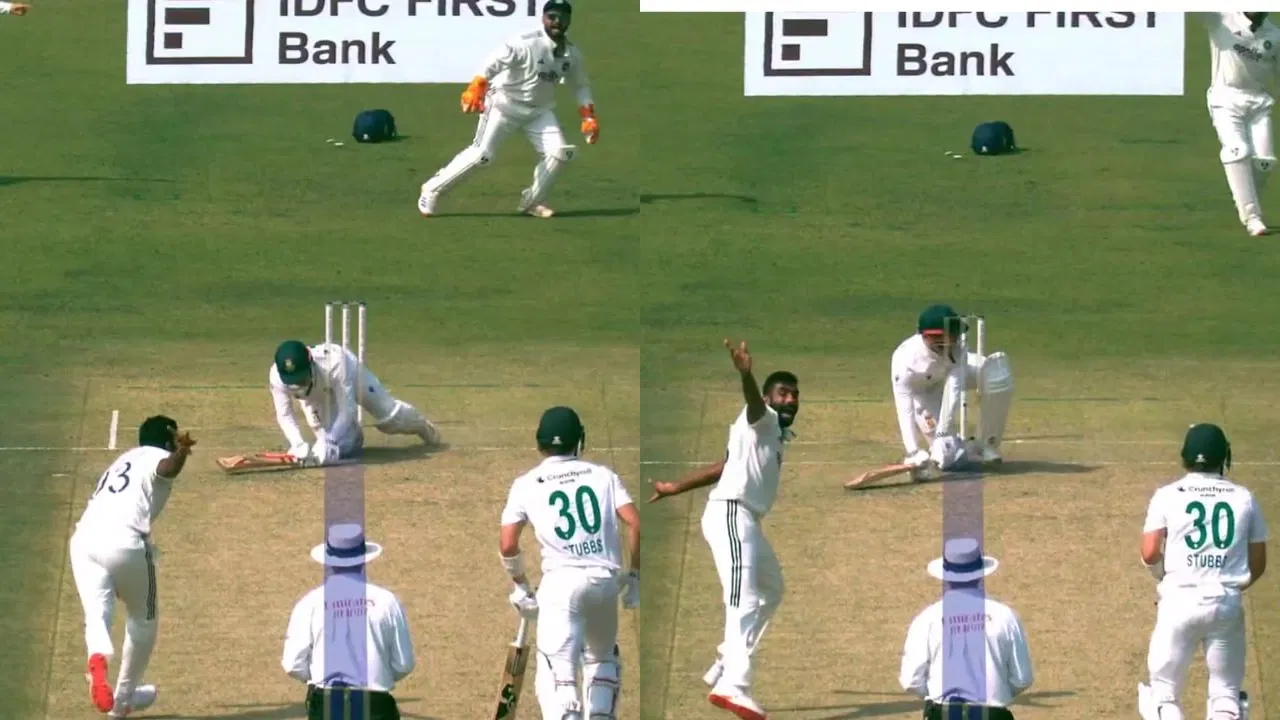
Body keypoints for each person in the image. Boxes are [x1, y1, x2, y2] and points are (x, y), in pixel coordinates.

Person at [649, 339, 799, 720]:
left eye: (795, 396)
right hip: (732, 515)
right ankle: (735, 684)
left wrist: (675, 487)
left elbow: (724, 466)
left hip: (746, 519)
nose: (790, 400)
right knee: (743, 599)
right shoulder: (761, 416)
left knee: (772, 591)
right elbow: (752, 402)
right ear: (769, 397)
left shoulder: (772, 434)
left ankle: (725, 656)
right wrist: (746, 374)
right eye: (783, 394)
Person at [498, 406, 640, 720]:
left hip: (561, 589)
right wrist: (634, 576)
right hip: (605, 585)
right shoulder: (604, 475)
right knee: (602, 659)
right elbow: (634, 523)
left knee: (556, 679)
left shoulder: (526, 483)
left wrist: (521, 586)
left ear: (540, 443)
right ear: (579, 440)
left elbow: (508, 544)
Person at [417, 0, 597, 219]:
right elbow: (493, 63)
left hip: (539, 112)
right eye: (552, 17)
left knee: (560, 154)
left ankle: (533, 201)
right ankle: (432, 189)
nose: (557, 22)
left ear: (569, 20)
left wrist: (588, 116)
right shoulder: (525, 43)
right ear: (543, 18)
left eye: (562, 18)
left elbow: (580, 86)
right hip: (504, 105)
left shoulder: (572, 54)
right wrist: (477, 86)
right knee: (482, 156)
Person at [1137, 423, 1268, 720]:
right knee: (1225, 695)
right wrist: (1231, 587)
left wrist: (1162, 574)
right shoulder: (1244, 497)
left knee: (1163, 692)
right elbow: (1258, 563)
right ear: (1224, 456)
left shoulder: (1166, 495)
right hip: (1225, 603)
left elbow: (1149, 552)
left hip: (1178, 601)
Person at [69, 415, 196, 717]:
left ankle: (97, 661)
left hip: (83, 541)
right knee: (144, 620)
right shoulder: (158, 456)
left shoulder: (122, 460)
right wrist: (180, 452)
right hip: (124, 543)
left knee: (97, 614)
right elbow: (168, 467)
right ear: (168, 439)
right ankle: (123, 699)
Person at [282, 523, 415, 720]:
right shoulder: (387, 601)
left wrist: (318, 679)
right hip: (375, 705)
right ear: (364, 560)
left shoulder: (310, 603)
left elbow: (293, 664)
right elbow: (403, 664)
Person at [900, 538, 1034, 720]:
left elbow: (911, 680)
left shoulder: (926, 619)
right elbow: (1022, 678)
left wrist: (935, 696)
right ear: (980, 574)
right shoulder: (1005, 617)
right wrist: (996, 696)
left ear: (946, 576)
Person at [269, 339, 441, 465]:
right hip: (317, 396)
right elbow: (284, 414)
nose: (297, 385)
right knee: (339, 447)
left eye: (301, 378)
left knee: (389, 419)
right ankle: (354, 435)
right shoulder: (276, 377)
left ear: (310, 361)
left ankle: (423, 426)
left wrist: (329, 439)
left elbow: (347, 409)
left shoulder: (335, 363)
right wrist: (297, 443)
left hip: (351, 374)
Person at [891, 303, 1012, 471]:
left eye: (953, 336)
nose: (951, 343)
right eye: (943, 338)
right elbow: (904, 408)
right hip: (923, 392)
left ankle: (984, 445)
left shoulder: (959, 347)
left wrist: (942, 432)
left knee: (995, 374)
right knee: (949, 457)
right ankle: (963, 449)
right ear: (926, 337)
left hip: (949, 375)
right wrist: (912, 450)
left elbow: (953, 388)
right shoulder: (905, 361)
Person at [1197, 13, 1280, 236]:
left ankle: (1245, 199)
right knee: (1237, 151)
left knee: (1265, 162)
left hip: (1259, 102)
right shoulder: (1221, 19)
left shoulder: (1275, 35)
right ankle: (1252, 217)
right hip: (1226, 98)